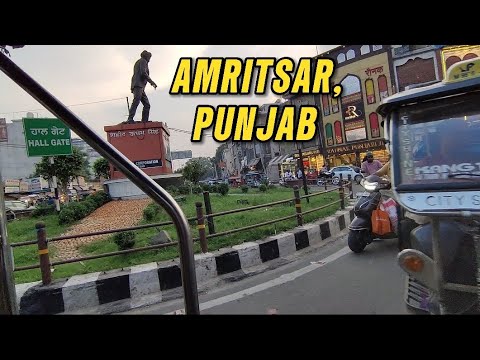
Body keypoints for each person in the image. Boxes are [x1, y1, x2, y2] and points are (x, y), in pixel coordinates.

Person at [126, 50, 157, 124]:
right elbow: (143, 73)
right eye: (149, 57)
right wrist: (152, 82)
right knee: (136, 101)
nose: (149, 59)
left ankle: (144, 121)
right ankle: (130, 119)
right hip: (138, 85)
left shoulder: (140, 61)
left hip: (140, 86)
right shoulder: (143, 61)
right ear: (146, 56)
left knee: (147, 105)